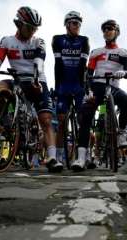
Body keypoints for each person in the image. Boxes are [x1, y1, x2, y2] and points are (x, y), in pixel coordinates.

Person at [0, 6, 62, 172]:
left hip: (36, 79)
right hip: (17, 80)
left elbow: (39, 62)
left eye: (35, 28)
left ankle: (52, 157)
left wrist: (36, 79)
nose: (32, 31)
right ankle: (0, 120)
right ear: (18, 24)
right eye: (29, 27)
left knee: (46, 120)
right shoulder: (7, 41)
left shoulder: (38, 41)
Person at [71, 19, 127, 171]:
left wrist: (123, 72)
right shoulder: (96, 52)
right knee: (86, 116)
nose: (106, 31)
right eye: (104, 29)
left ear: (116, 31)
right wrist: (88, 91)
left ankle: (122, 132)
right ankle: (81, 158)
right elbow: (88, 74)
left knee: (126, 101)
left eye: (110, 28)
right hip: (97, 85)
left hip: (113, 86)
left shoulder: (123, 52)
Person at [52, 11, 89, 167]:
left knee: (83, 120)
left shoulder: (84, 40)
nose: (77, 26)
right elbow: (58, 65)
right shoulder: (57, 40)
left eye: (79, 24)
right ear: (67, 24)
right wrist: (57, 87)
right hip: (64, 85)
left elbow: (83, 66)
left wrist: (84, 88)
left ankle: (84, 156)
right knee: (61, 122)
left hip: (79, 85)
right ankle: (59, 157)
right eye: (74, 23)